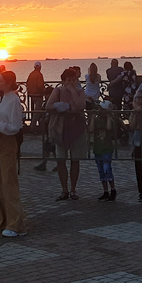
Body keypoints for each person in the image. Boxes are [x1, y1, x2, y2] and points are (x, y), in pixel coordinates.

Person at [0, 70, 26, 236]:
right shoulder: (2, 98)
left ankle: (14, 222)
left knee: (9, 182)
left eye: (2, 80)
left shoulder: (14, 100)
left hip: (8, 141)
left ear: (9, 82)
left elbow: (15, 126)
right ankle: (2, 219)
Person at [45, 67, 88, 201]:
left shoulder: (80, 91)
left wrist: (73, 92)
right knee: (61, 159)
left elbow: (81, 105)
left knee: (75, 159)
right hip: (61, 128)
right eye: (68, 80)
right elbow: (48, 106)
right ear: (63, 81)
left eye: (73, 80)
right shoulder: (57, 91)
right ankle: (64, 189)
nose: (71, 82)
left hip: (76, 128)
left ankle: (73, 189)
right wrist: (59, 106)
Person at [89, 97, 118, 200]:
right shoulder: (97, 120)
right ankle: (105, 190)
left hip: (106, 148)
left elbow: (109, 128)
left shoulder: (110, 121)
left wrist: (108, 116)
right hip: (98, 148)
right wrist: (92, 117)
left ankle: (113, 189)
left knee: (107, 169)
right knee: (101, 170)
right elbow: (91, 129)